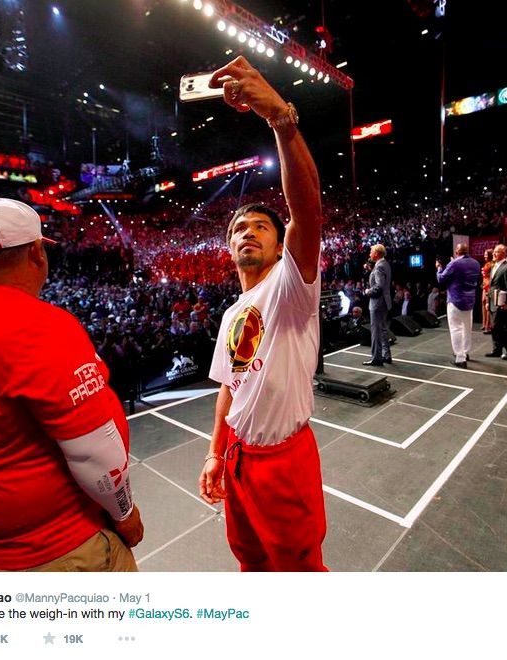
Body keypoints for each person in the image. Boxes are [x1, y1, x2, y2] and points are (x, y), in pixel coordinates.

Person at [0, 196, 143, 572]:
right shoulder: (41, 326)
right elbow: (94, 451)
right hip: (65, 546)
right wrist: (124, 513)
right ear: (38, 253)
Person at [197, 56, 326, 571]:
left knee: (298, 573)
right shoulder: (233, 313)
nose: (247, 232)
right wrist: (215, 452)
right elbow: (229, 389)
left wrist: (281, 121)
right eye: (237, 229)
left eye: (260, 227)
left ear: (278, 248)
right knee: (250, 563)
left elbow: (308, 210)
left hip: (284, 460)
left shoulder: (290, 288)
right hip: (238, 456)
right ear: (229, 249)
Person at [436, 243, 481, 368]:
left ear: (456, 252)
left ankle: (460, 358)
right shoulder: (476, 263)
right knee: (467, 328)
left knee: (456, 328)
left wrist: (439, 268)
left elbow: (441, 279)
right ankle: (465, 352)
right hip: (470, 300)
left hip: (456, 300)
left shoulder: (454, 263)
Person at [485, 244, 507, 360]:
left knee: (498, 327)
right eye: (494, 251)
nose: (494, 253)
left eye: (497, 251)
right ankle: (497, 349)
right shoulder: (494, 266)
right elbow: (491, 286)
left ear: (504, 254)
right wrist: (488, 301)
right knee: (494, 327)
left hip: (501, 303)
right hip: (492, 301)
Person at [363, 244, 393, 366]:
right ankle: (386, 355)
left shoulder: (379, 267)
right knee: (383, 329)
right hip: (384, 301)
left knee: (376, 331)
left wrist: (368, 291)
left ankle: (376, 358)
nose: (369, 254)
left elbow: (379, 286)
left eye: (371, 252)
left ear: (376, 253)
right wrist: (371, 270)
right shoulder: (384, 264)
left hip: (377, 303)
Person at [481, 248, 494, 333]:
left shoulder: (492, 264)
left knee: (487, 305)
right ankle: (484, 323)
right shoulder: (486, 264)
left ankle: (488, 326)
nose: (484, 256)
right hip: (484, 285)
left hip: (489, 286)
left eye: (486, 254)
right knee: (483, 303)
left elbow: (491, 276)